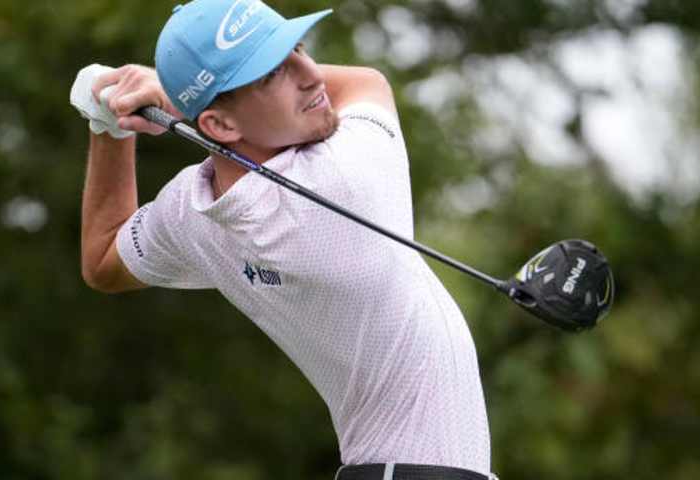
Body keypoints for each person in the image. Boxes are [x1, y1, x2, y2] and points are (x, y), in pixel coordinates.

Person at [70, 1, 495, 479]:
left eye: (298, 49)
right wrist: (169, 95)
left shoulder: (192, 212)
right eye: (274, 72)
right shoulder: (345, 177)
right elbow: (366, 82)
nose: (311, 74)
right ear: (220, 126)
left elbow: (104, 258)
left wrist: (107, 125)